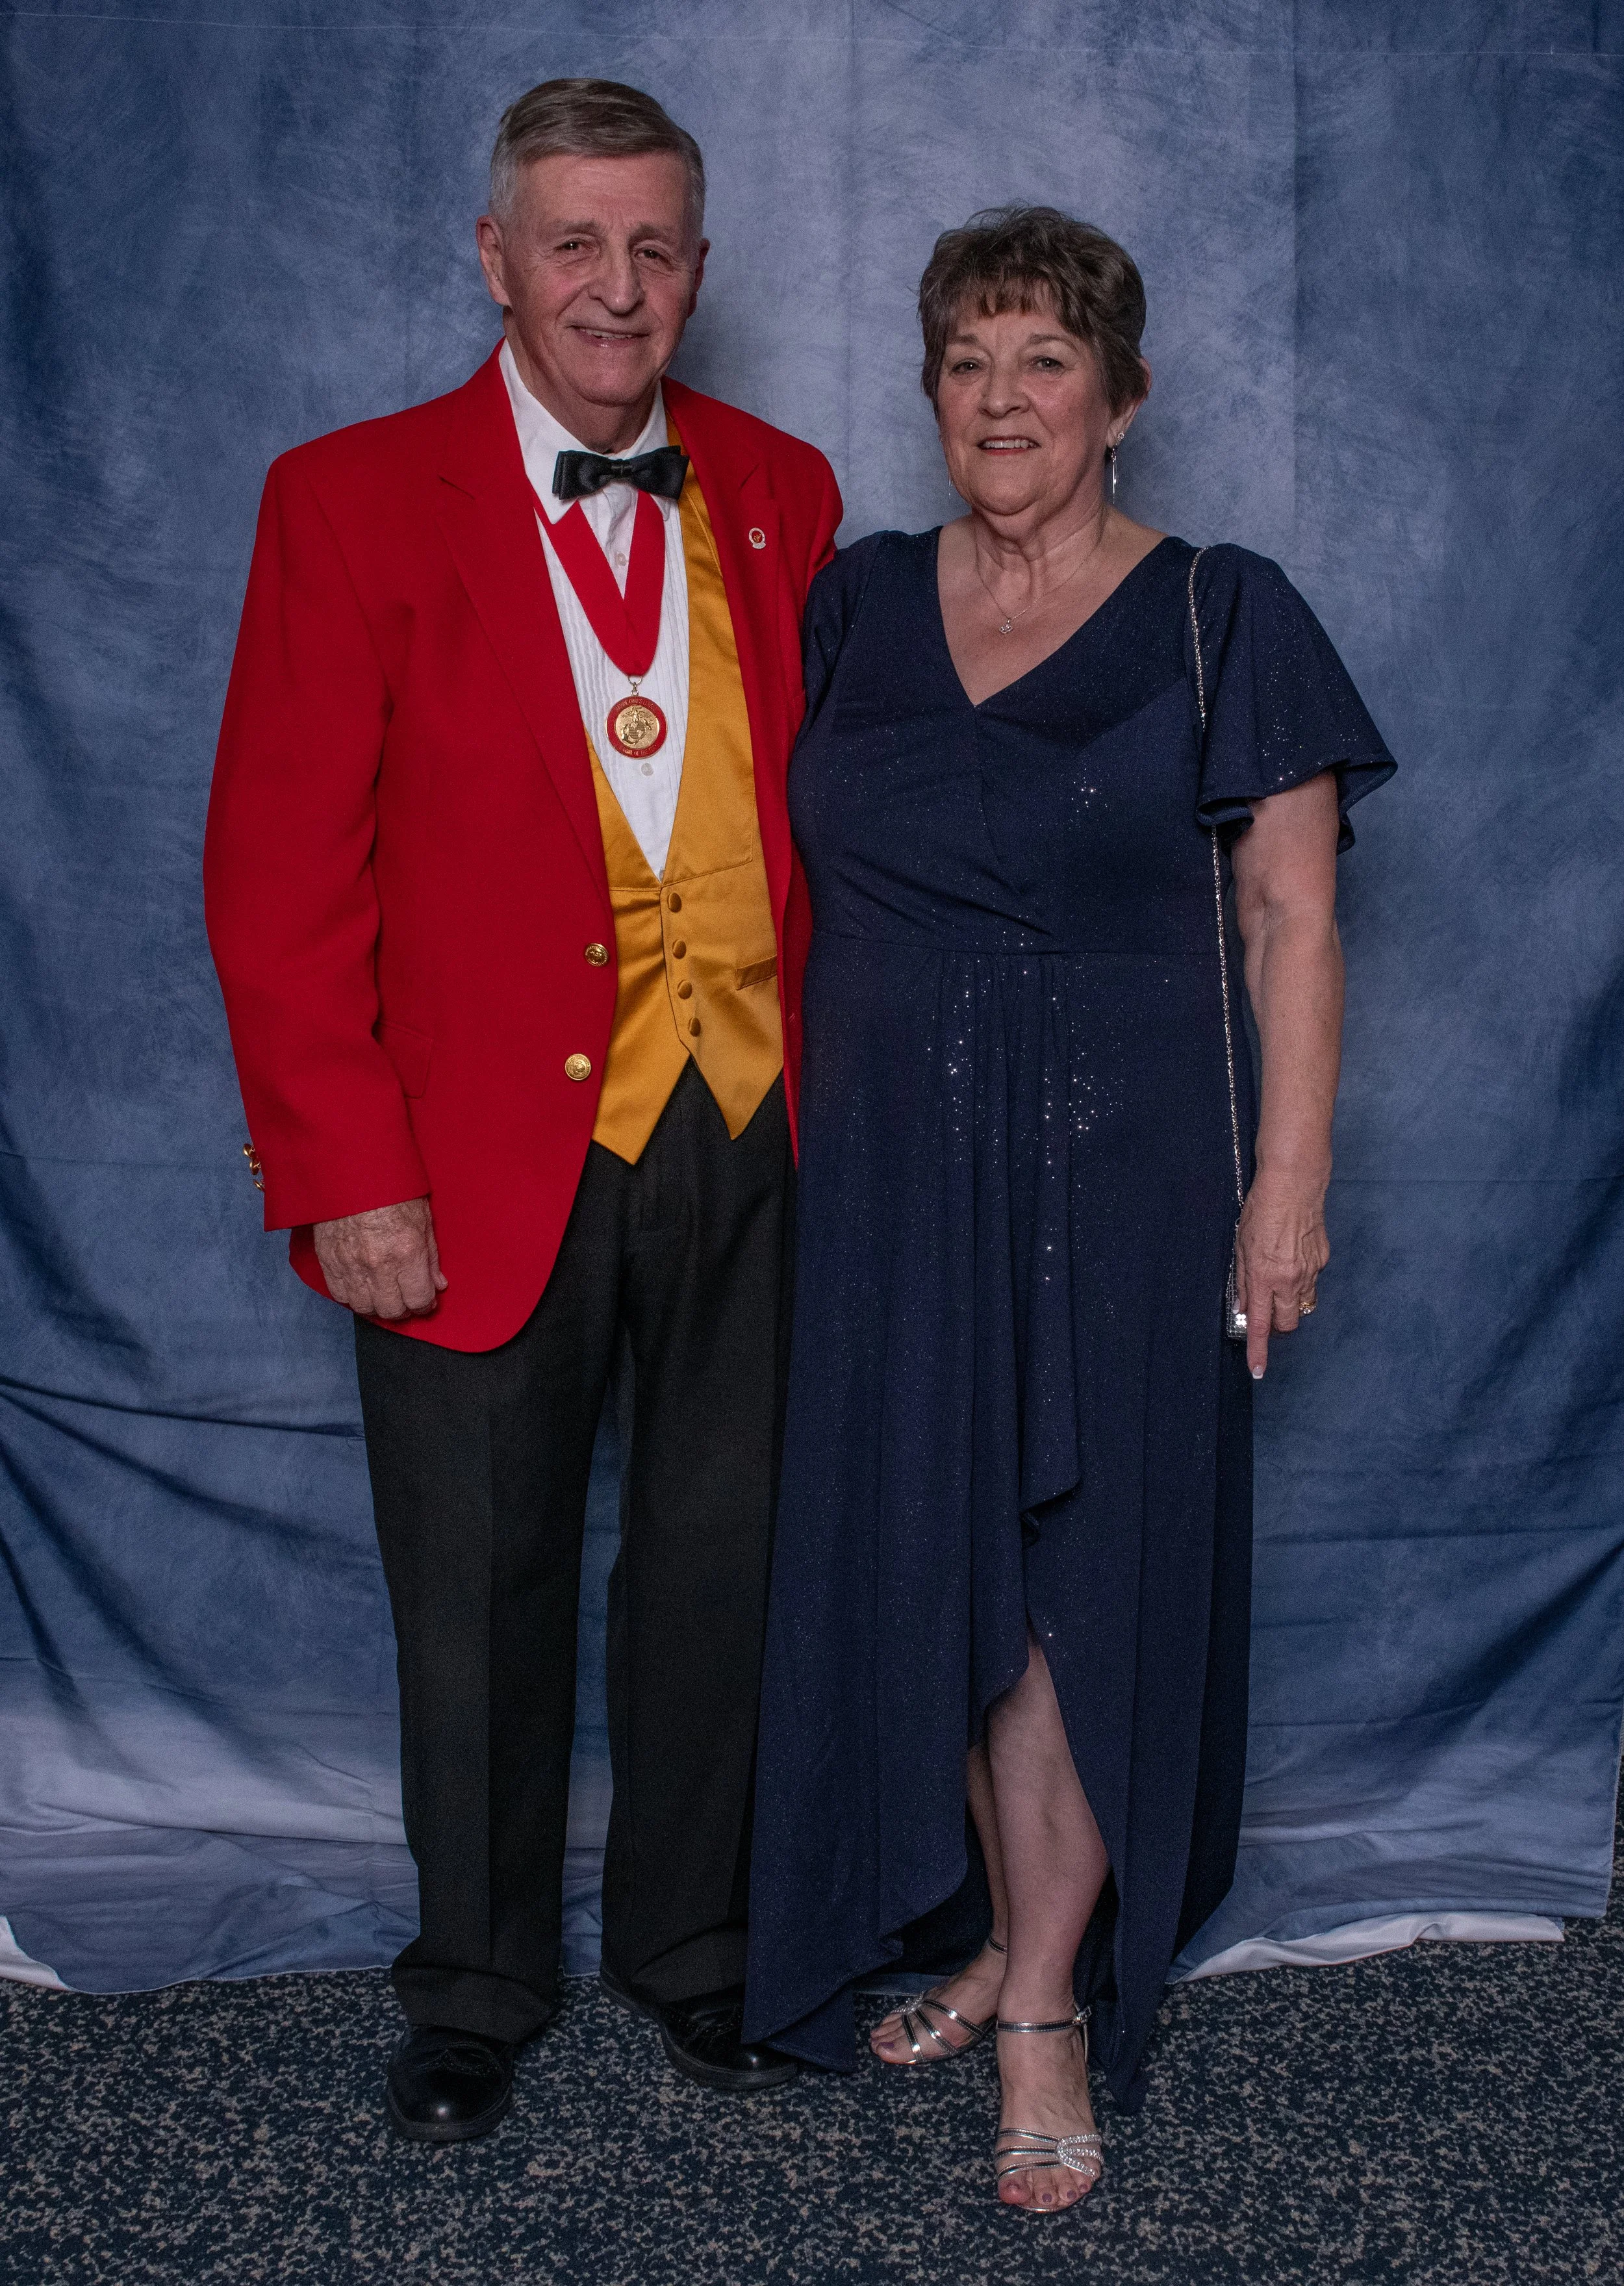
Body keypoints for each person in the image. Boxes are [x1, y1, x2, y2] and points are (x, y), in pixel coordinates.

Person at [204, 79, 841, 2142]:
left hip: (747, 1120)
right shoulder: (347, 496)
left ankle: (694, 1947)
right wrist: (343, 1166)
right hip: (467, 1147)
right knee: (475, 1577)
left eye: (654, 245)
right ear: (493, 258)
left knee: (720, 1557)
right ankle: (474, 1981)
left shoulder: (786, 487)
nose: (615, 284)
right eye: (573, 241)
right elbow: (276, 872)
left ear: (699, 272)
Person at [744, 205, 1395, 2211]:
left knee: (1082, 1583)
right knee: (938, 1557)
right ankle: (999, 1927)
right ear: (930, 391)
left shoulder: (1220, 608)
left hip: (1129, 1176)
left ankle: (1041, 1997)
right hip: (881, 1179)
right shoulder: (853, 602)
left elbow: (1291, 907)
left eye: (1043, 361)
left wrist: (1282, 1185)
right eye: (968, 361)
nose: (1003, 397)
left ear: (1122, 396)